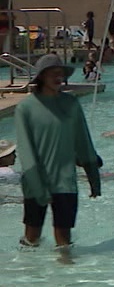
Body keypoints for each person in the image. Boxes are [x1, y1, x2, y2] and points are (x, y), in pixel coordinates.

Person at [13, 54, 102, 252]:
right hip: (36, 181)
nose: (58, 78)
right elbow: (25, 151)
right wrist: (37, 186)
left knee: (64, 239)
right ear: (41, 77)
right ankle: (28, 274)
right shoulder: (25, 108)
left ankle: (65, 280)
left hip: (65, 181)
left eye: (60, 74)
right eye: (53, 74)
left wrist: (93, 177)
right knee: (32, 237)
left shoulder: (71, 104)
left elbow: (84, 142)